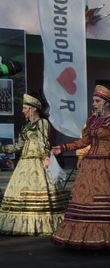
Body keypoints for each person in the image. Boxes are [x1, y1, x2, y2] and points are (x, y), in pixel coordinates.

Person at [51, 85, 110, 249]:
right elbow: (84, 141)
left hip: (108, 166)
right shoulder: (93, 120)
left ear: (107, 102)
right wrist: (62, 148)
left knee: (107, 204)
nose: (94, 104)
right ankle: (85, 237)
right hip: (90, 165)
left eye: (97, 101)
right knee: (84, 201)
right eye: (94, 101)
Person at [0, 93, 68, 235]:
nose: (23, 110)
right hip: (24, 163)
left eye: (25, 108)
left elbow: (44, 142)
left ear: (33, 109)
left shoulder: (42, 123)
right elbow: (18, 146)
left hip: (38, 162)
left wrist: (45, 158)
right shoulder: (26, 126)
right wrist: (2, 148)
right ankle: (21, 224)